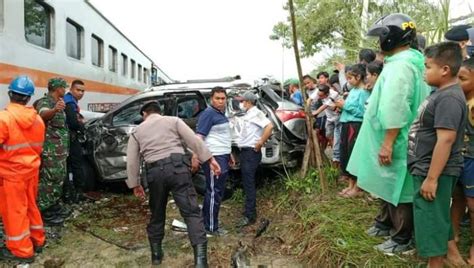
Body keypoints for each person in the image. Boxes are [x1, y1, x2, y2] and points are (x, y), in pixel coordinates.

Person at [346, 13, 430, 254]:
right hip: (397, 135)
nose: (378, 43)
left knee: (398, 186)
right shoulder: (408, 61)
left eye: (380, 37)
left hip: (397, 137)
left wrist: (388, 142)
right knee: (386, 182)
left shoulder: (402, 66)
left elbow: (396, 105)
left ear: (390, 38)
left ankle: (402, 238)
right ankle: (385, 223)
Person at [126, 101, 221, 267]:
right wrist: (210, 159)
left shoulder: (136, 131)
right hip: (178, 170)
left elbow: (132, 161)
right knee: (191, 212)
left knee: (157, 213)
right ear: (159, 112)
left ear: (144, 115)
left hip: (155, 173)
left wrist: (135, 184)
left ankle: (156, 256)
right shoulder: (173, 121)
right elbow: (194, 141)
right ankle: (200, 261)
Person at [408, 42, 466, 268]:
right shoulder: (440, 94)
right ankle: (448, 256)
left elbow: (446, 139)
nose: (424, 71)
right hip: (426, 168)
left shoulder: (449, 99)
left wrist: (432, 179)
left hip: (434, 172)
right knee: (434, 218)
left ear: (445, 70)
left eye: (427, 67)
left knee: (431, 223)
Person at [0, 76, 46, 263]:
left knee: (15, 212)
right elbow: (38, 148)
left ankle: (22, 251)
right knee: (30, 206)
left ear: (10, 93)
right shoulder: (38, 120)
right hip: (31, 172)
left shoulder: (4, 118)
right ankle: (37, 240)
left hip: (11, 175)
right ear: (28, 98)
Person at [196, 86, 233, 236]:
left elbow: (222, 136)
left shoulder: (221, 114)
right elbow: (199, 138)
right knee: (214, 192)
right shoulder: (208, 114)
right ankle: (211, 227)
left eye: (223, 98)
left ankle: (208, 221)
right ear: (211, 99)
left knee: (216, 191)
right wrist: (207, 159)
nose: (220, 101)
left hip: (223, 155)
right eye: (217, 98)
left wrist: (229, 154)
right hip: (214, 158)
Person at [36, 78, 70, 227]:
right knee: (49, 180)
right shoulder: (45, 102)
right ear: (58, 88)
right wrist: (55, 109)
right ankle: (45, 211)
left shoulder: (60, 102)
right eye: (64, 87)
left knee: (58, 178)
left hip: (60, 151)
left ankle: (54, 206)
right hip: (51, 151)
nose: (66, 89)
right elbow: (42, 115)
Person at [235, 91, 273, 227]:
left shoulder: (256, 113)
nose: (241, 103)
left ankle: (250, 215)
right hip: (246, 152)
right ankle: (249, 211)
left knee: (248, 183)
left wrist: (261, 142)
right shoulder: (249, 114)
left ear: (248, 102)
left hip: (251, 152)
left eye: (242, 101)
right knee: (249, 181)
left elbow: (269, 126)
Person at [334, 64, 370, 198]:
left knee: (353, 153)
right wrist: (340, 106)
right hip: (345, 123)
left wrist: (346, 106)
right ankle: (350, 185)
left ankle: (357, 187)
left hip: (355, 125)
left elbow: (362, 112)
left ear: (359, 77)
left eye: (350, 78)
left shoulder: (364, 93)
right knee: (345, 153)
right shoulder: (353, 91)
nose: (348, 81)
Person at [456, 58, 474, 264]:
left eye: (463, 78)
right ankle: (454, 236)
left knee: (472, 204)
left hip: (471, 159)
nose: (458, 83)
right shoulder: (459, 100)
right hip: (458, 158)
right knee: (457, 198)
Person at [63, 80, 86, 204]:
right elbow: (72, 122)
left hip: (66, 139)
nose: (81, 93)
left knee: (68, 166)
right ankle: (77, 193)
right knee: (76, 164)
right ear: (71, 89)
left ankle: (69, 193)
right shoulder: (69, 102)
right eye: (78, 90)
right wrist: (81, 126)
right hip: (70, 139)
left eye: (83, 91)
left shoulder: (70, 101)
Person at [312, 84, 341, 166]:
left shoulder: (334, 94)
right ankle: (335, 152)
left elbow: (325, 106)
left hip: (337, 118)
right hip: (329, 118)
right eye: (318, 95)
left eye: (321, 96)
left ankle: (336, 156)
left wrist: (316, 112)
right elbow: (311, 99)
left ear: (327, 94)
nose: (319, 97)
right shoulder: (319, 92)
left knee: (337, 138)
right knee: (328, 136)